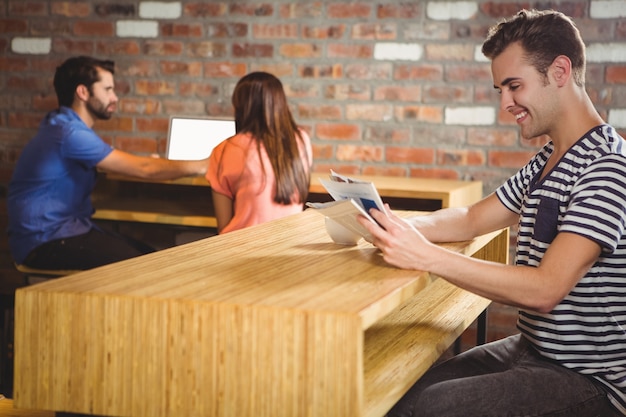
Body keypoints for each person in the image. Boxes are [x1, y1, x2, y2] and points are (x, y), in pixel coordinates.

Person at [358, 9, 626, 417]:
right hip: (533, 349)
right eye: (500, 88)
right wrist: (395, 227)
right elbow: (470, 218)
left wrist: (425, 255)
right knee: (399, 397)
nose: (506, 103)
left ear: (559, 71)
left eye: (514, 86)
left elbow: (544, 289)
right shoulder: (550, 159)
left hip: (591, 380)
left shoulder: (607, 166)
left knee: (430, 409)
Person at [7, 56, 209, 271]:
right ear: (83, 92)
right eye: (108, 90)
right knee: (151, 268)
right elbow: (145, 170)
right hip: (45, 240)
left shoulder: (61, 124)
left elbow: (123, 163)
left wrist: (152, 164)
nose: (115, 98)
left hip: (61, 232)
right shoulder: (70, 133)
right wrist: (203, 164)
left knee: (151, 258)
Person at [206, 71, 312, 233]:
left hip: (240, 250)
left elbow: (223, 227)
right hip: (289, 245)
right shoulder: (301, 140)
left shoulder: (225, 149)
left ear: (241, 107)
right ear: (280, 103)